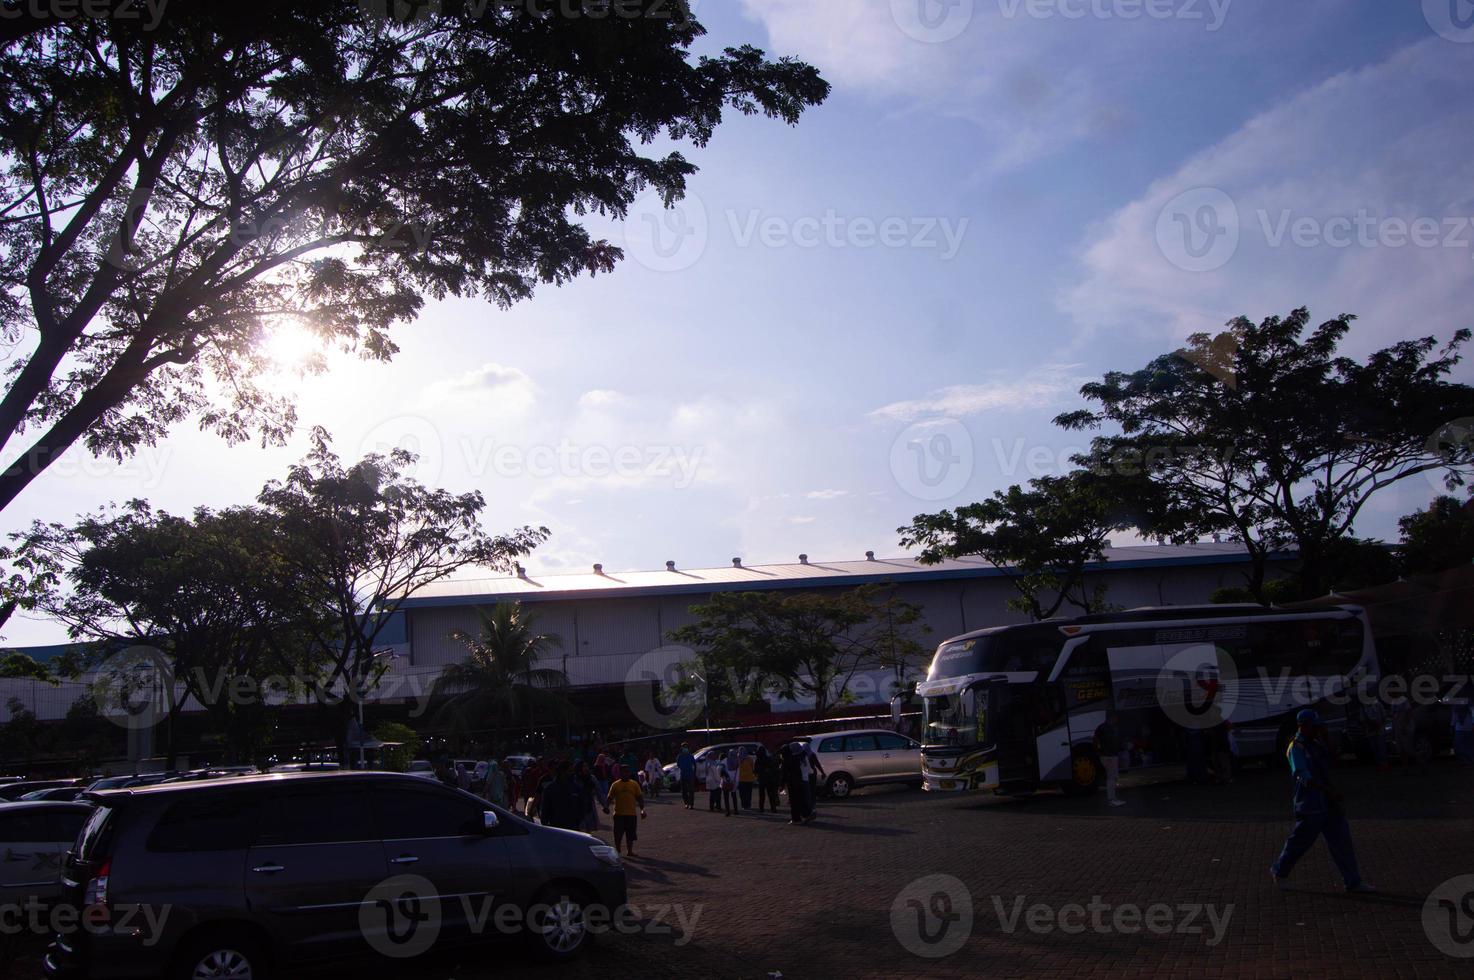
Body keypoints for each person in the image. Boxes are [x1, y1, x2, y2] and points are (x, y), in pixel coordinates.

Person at [1270, 709, 1375, 893]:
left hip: (1328, 802)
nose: (1317, 730)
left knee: (1342, 841)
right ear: (1303, 726)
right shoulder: (1296, 747)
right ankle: (1280, 871)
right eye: (1314, 727)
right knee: (1300, 842)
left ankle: (1353, 881)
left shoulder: (1315, 744)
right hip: (1310, 804)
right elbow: (1303, 776)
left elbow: (1333, 759)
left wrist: (1326, 739)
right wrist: (1328, 791)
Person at [606, 764, 647, 857]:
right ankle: (618, 849)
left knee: (630, 834)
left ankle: (630, 851)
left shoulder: (634, 784)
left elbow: (639, 797)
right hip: (619, 813)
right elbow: (609, 797)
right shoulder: (615, 785)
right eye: (624, 772)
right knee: (618, 834)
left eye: (627, 772)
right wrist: (606, 807)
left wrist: (642, 809)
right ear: (620, 773)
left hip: (631, 813)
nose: (626, 773)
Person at [538, 762, 584, 831]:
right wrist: (545, 824)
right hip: (556, 827)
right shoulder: (550, 788)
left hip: (574, 828)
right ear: (562, 772)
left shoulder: (576, 788)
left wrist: (579, 821)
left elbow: (582, 806)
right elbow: (545, 808)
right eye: (569, 771)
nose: (572, 774)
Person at [1095, 711, 1126, 806]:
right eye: (1116, 717)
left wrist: (1099, 752)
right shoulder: (1113, 728)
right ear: (1112, 717)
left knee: (1111, 777)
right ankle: (1112, 799)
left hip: (1104, 755)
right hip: (1111, 755)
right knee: (1111, 778)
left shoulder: (1100, 727)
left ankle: (1113, 798)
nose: (1117, 719)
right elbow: (1115, 742)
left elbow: (1095, 740)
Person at [780, 741, 808, 824]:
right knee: (799, 800)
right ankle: (803, 815)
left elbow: (784, 774)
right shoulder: (795, 758)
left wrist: (781, 785)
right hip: (799, 782)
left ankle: (795, 819)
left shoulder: (785, 761)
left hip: (792, 783)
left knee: (793, 802)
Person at [754, 745, 781, 813]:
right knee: (770, 795)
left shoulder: (758, 760)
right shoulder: (768, 758)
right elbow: (772, 768)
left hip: (761, 779)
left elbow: (755, 770)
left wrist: (758, 774)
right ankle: (773, 808)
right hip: (769, 779)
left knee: (762, 795)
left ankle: (761, 808)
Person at [675, 743, 697, 809]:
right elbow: (678, 765)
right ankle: (686, 803)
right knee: (684, 791)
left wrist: (694, 773)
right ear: (681, 748)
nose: (685, 748)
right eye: (684, 747)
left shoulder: (691, 756)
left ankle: (691, 804)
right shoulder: (679, 756)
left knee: (691, 790)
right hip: (683, 775)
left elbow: (694, 765)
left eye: (686, 747)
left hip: (690, 775)